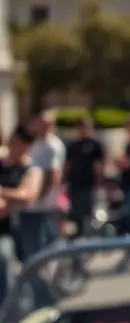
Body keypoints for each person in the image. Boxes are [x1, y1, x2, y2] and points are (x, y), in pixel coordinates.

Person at [0, 126, 44, 302]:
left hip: (14, 230)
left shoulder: (31, 170)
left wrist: (3, 193)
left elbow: (28, 196)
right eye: (13, 142)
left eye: (20, 144)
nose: (15, 147)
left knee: (4, 258)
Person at [20, 112, 66, 262]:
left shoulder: (52, 146)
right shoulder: (36, 143)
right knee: (47, 237)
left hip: (41, 204)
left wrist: (39, 197)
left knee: (37, 244)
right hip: (32, 201)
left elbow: (53, 174)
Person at [63, 116, 106, 239]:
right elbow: (67, 164)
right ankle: (78, 234)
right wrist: (64, 180)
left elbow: (101, 164)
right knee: (75, 211)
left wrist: (100, 181)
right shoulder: (73, 146)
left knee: (88, 212)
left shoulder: (95, 145)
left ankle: (89, 235)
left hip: (88, 183)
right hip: (74, 183)